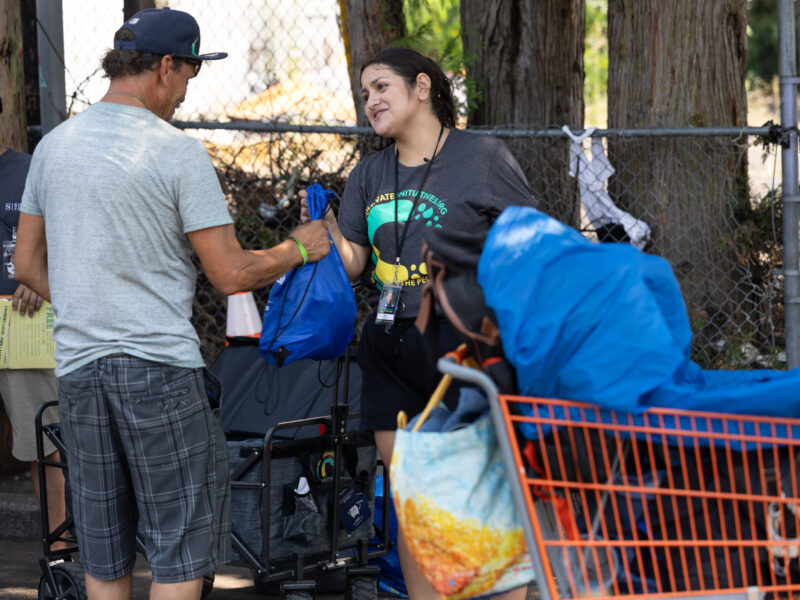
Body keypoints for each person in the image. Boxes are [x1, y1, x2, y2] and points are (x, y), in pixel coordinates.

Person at [14, 8, 329, 600]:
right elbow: (232, 273)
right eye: (189, 73)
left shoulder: (53, 147)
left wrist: (91, 301)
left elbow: (27, 267)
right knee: (179, 555)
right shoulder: (176, 152)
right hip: (159, 369)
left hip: (80, 372)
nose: (186, 91)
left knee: (104, 558)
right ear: (165, 67)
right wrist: (298, 248)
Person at [302, 47, 537, 599]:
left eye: (381, 87)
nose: (371, 102)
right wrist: (326, 228)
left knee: (484, 489)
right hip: (387, 345)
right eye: (364, 94)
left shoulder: (482, 157)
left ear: (423, 87)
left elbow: (528, 245)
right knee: (411, 498)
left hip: (462, 343)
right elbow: (358, 262)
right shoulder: (369, 172)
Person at [0, 146, 66, 547]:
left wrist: (36, 274)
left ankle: (61, 549)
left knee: (42, 441)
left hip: (21, 324)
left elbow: (71, 233)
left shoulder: (30, 170)